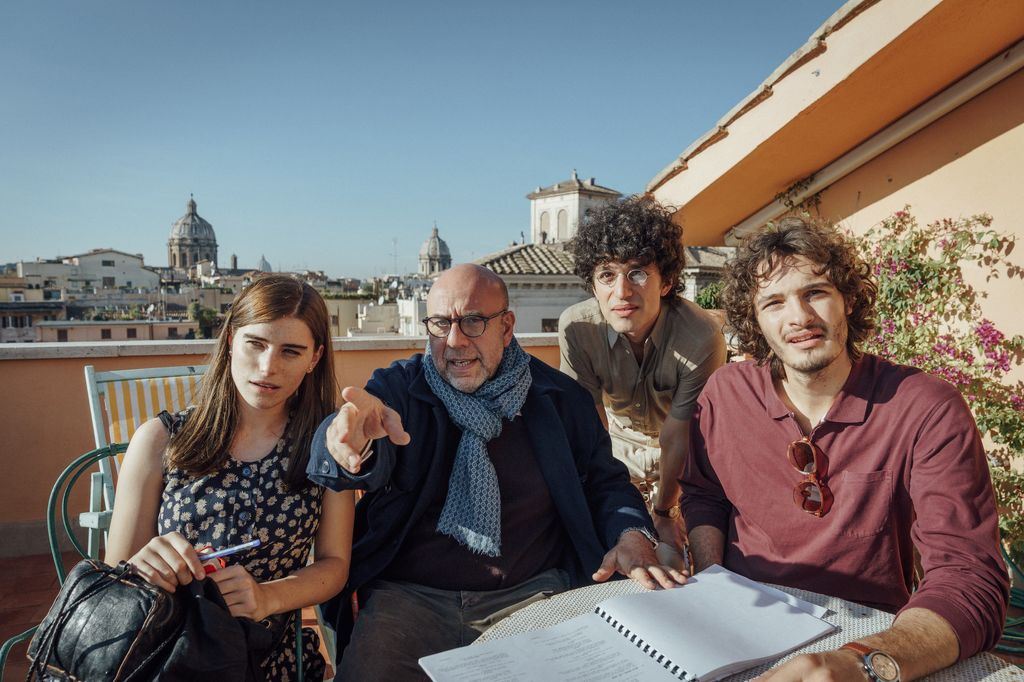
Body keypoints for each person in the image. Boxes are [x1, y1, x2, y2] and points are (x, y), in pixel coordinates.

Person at [308, 263, 686, 680]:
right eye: (439, 323)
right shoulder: (401, 390)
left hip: (532, 597)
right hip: (407, 600)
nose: (453, 341)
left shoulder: (559, 400)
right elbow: (359, 433)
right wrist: (344, 439)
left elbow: (606, 483)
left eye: (472, 322)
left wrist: (632, 535)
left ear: (506, 328)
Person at [682, 218, 1008, 681]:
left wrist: (863, 662)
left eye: (815, 292)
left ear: (848, 301)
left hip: (867, 636)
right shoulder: (725, 393)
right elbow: (704, 496)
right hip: (735, 625)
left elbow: (969, 578)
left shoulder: (925, 407)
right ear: (754, 320)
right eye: (773, 302)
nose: (798, 318)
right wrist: (711, 583)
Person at [107, 274, 355, 680]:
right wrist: (142, 565)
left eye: (290, 351)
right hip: (162, 653)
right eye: (255, 344)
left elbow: (334, 565)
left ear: (314, 358)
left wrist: (267, 597)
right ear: (230, 340)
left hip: (263, 657)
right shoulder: (160, 439)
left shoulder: (324, 447)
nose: (267, 367)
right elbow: (116, 568)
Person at [559, 196, 726, 555]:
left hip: (688, 466)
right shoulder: (576, 329)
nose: (621, 291)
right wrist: (612, 498)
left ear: (665, 282)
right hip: (617, 458)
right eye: (607, 275)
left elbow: (679, 434)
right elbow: (587, 426)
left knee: (677, 561)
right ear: (593, 285)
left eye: (637, 273)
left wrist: (665, 512)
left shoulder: (700, 336)